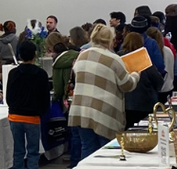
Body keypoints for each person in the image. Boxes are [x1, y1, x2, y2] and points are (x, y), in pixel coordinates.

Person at [68, 24, 139, 159]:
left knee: (87, 147)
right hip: (104, 113)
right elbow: (127, 85)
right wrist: (136, 75)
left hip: (82, 110)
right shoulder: (114, 59)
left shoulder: (82, 56)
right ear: (110, 40)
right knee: (106, 151)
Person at [5, 41, 50, 169]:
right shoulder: (41, 74)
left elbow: (8, 97)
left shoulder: (13, 73)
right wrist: (40, 112)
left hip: (15, 116)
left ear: (19, 55)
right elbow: (45, 99)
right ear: (35, 55)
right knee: (32, 151)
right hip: (32, 118)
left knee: (18, 150)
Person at [120, 31, 163, 127]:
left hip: (125, 104)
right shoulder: (143, 61)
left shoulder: (119, 60)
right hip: (145, 103)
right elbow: (158, 81)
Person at [52, 33, 80, 104]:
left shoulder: (57, 65)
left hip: (67, 100)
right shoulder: (78, 56)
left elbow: (58, 90)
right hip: (80, 97)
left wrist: (53, 99)